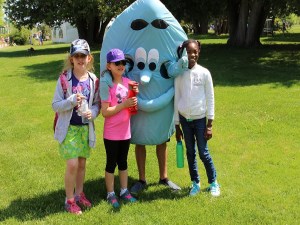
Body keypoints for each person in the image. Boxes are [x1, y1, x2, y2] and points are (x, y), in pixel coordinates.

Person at [52, 39, 100, 214]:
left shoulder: (93, 80)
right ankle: (69, 200)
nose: (80, 59)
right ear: (71, 58)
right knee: (72, 164)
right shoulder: (65, 79)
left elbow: (97, 104)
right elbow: (55, 104)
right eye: (76, 55)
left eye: (83, 55)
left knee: (81, 164)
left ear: (89, 58)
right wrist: (71, 101)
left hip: (84, 129)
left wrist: (93, 113)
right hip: (69, 128)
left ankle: (79, 194)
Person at [174, 39, 221, 197]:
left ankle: (214, 182)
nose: (192, 54)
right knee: (190, 153)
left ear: (198, 53)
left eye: (195, 51)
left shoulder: (204, 73)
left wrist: (209, 124)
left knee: (203, 152)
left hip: (200, 120)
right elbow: (176, 99)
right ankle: (195, 183)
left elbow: (210, 98)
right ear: (183, 54)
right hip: (184, 121)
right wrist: (176, 125)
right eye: (188, 52)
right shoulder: (179, 76)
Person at [101, 48, 138, 208]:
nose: (121, 65)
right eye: (117, 63)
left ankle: (124, 190)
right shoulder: (106, 85)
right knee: (111, 163)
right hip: (111, 133)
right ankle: (110, 193)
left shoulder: (127, 82)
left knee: (123, 162)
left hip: (125, 132)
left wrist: (133, 103)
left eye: (123, 62)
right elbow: (105, 112)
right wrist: (124, 105)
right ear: (109, 66)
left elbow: (131, 108)